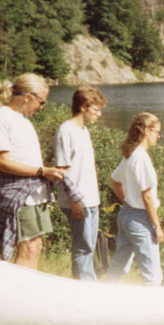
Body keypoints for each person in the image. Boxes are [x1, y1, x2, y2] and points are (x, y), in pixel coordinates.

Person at [0, 73, 77, 268]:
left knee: (35, 246)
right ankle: (16, 295)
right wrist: (42, 172)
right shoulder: (0, 118)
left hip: (35, 195)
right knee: (28, 248)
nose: (41, 107)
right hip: (18, 194)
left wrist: (46, 172)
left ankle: (24, 292)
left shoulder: (23, 120)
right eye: (41, 102)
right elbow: (1, 162)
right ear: (28, 96)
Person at [104, 113, 164, 286]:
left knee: (119, 264)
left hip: (126, 215)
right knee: (153, 273)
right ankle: (153, 309)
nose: (158, 136)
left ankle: (106, 296)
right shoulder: (142, 158)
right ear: (146, 130)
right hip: (140, 218)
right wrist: (157, 226)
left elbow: (115, 181)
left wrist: (127, 201)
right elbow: (147, 196)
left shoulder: (130, 154)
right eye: (157, 132)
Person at [54, 87, 106, 281]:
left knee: (89, 247)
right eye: (96, 110)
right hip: (77, 201)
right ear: (83, 107)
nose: (99, 115)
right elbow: (62, 170)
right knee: (82, 248)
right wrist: (74, 201)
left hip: (91, 200)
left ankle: (84, 286)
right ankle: (85, 289)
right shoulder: (66, 131)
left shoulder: (83, 131)